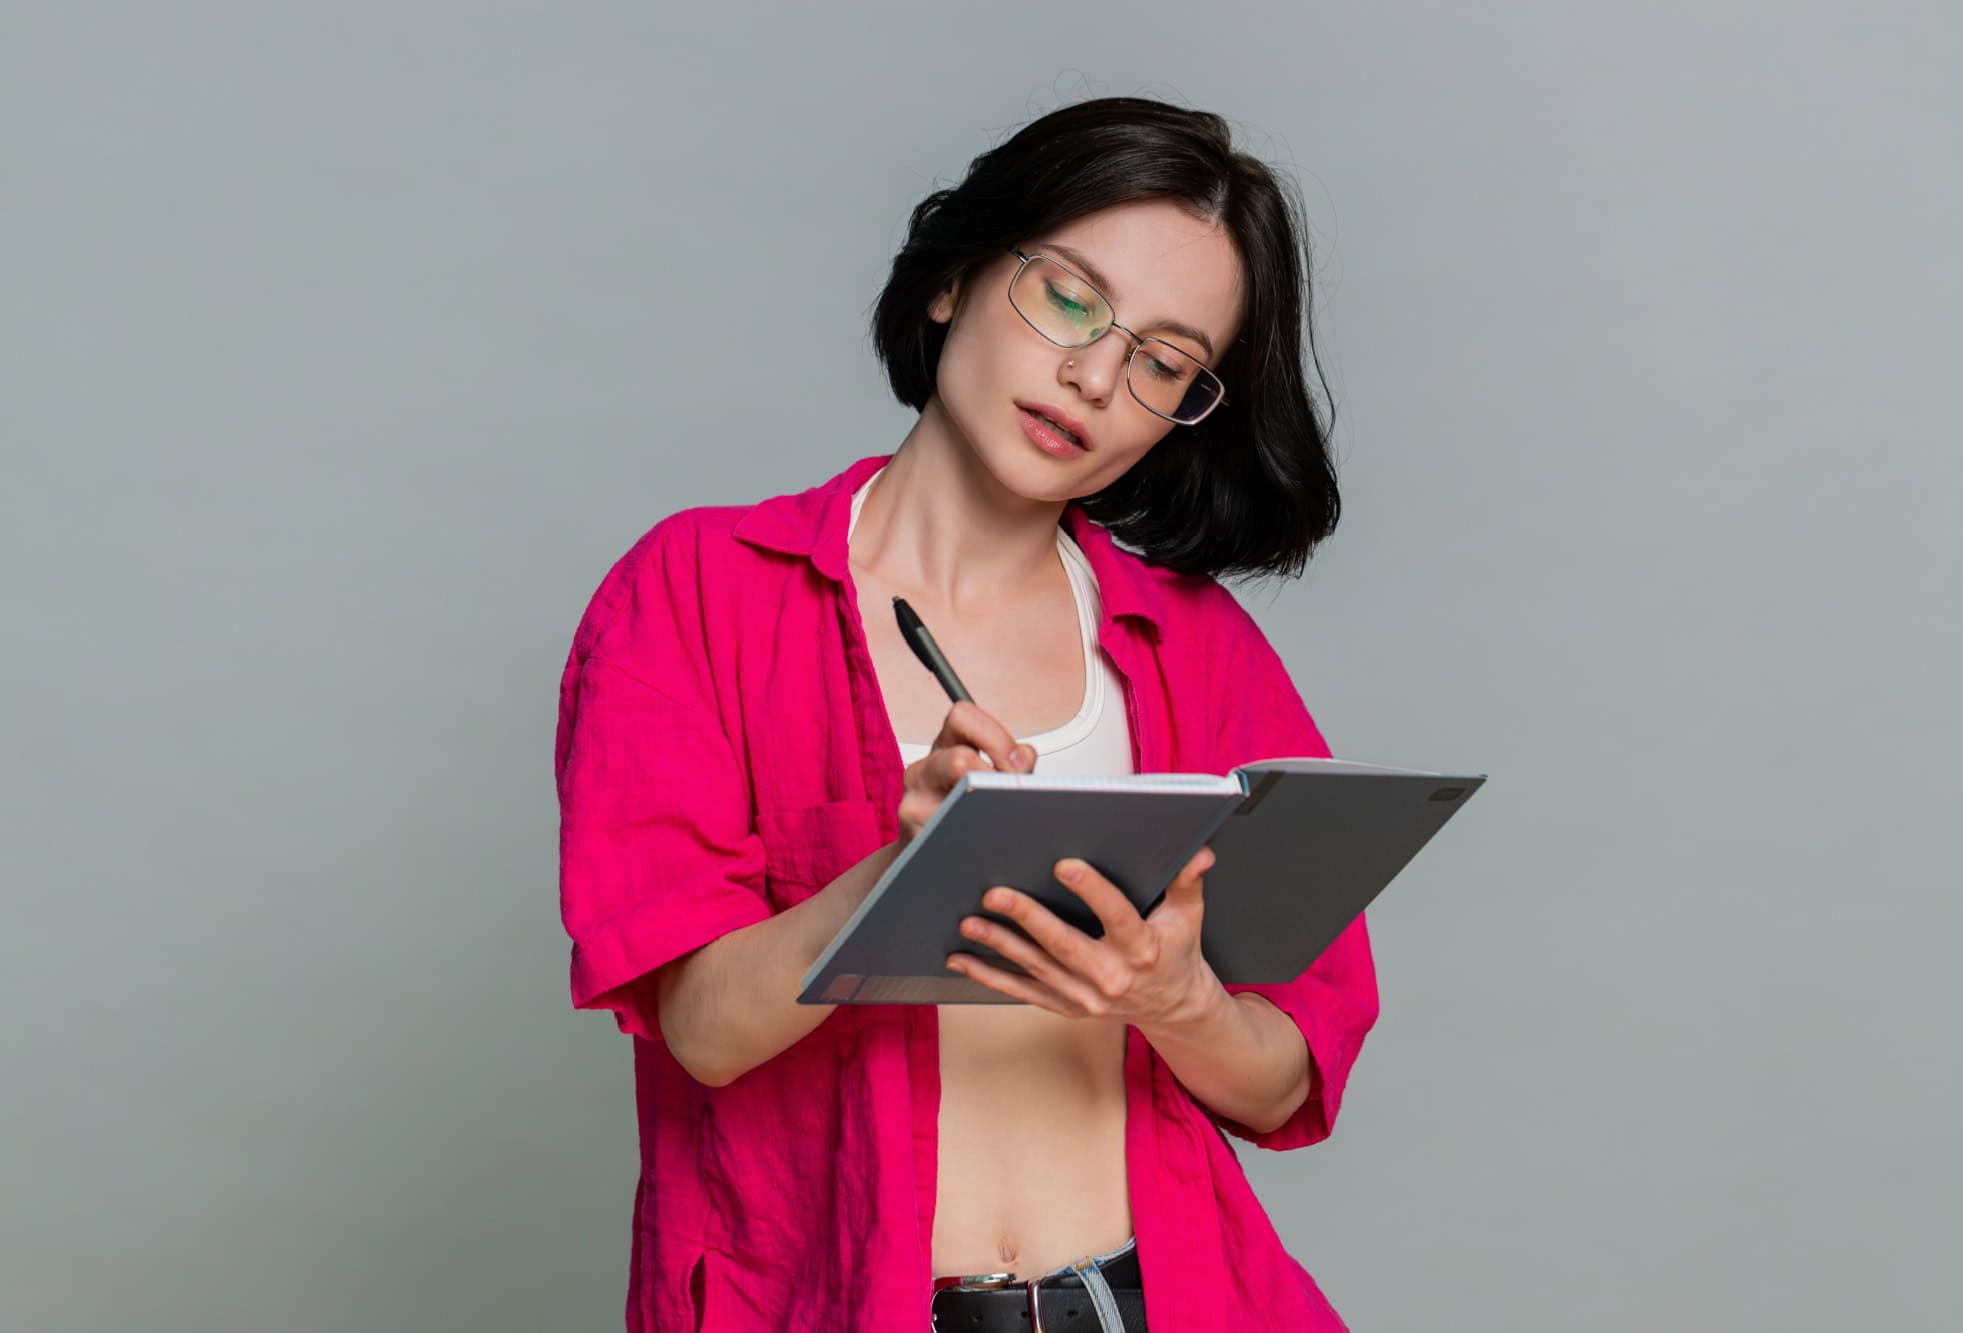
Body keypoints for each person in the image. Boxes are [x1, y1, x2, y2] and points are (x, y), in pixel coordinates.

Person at [554, 95, 1381, 1332]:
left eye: (1161, 361)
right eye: (1067, 299)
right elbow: (705, 1033)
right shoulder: (695, 595)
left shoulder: (1194, 649)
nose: (1094, 377)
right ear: (952, 277)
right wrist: (903, 866)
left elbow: (1281, 1084)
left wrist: (1178, 1003)